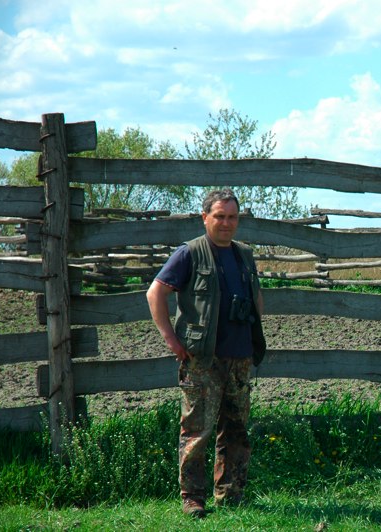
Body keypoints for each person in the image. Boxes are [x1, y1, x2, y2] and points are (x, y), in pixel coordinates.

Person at [146, 188, 266, 518]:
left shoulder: (244, 254)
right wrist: (171, 339)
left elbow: (256, 297)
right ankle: (193, 499)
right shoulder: (190, 253)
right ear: (205, 217)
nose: (227, 223)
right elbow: (155, 293)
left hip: (239, 357)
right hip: (202, 360)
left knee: (236, 430)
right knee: (197, 432)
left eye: (232, 217)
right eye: (220, 216)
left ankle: (231, 495)